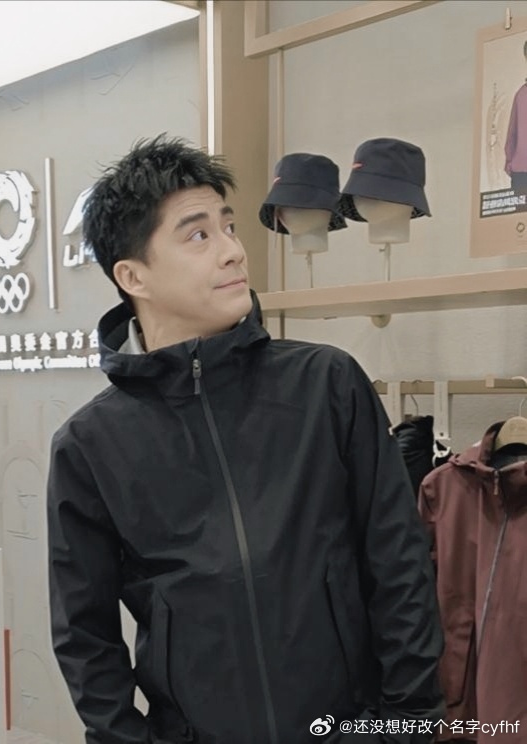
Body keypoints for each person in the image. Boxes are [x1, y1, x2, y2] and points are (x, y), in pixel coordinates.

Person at [47, 134, 444, 744]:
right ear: (133, 275)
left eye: (229, 227)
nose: (233, 251)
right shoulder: (89, 445)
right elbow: (84, 633)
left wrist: (406, 723)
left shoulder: (325, 384)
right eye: (198, 235)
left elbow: (399, 564)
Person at [504, 40, 527, 192]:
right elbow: (511, 135)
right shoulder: (521, 95)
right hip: (521, 173)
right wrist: (510, 162)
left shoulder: (521, 94)